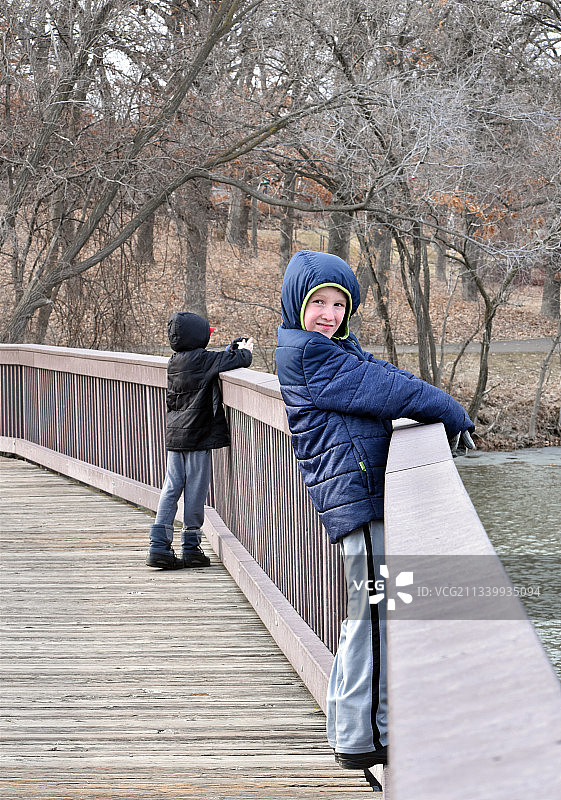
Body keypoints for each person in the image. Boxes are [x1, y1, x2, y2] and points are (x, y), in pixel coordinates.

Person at [276, 250, 474, 787]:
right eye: (318, 302)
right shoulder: (308, 355)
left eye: (339, 304)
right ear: (298, 302)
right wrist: (451, 409)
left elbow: (382, 374)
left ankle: (357, 725)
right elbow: (392, 392)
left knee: (372, 613)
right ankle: (364, 736)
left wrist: (435, 401)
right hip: (356, 500)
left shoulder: (332, 348)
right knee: (374, 615)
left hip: (359, 495)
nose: (329, 313)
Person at [147, 312, 253, 569]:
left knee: (171, 488)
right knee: (195, 489)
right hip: (197, 437)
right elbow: (240, 360)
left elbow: (216, 361)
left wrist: (229, 349)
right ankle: (191, 546)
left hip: (175, 435)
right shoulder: (205, 360)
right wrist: (245, 350)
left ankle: (158, 546)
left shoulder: (174, 361)